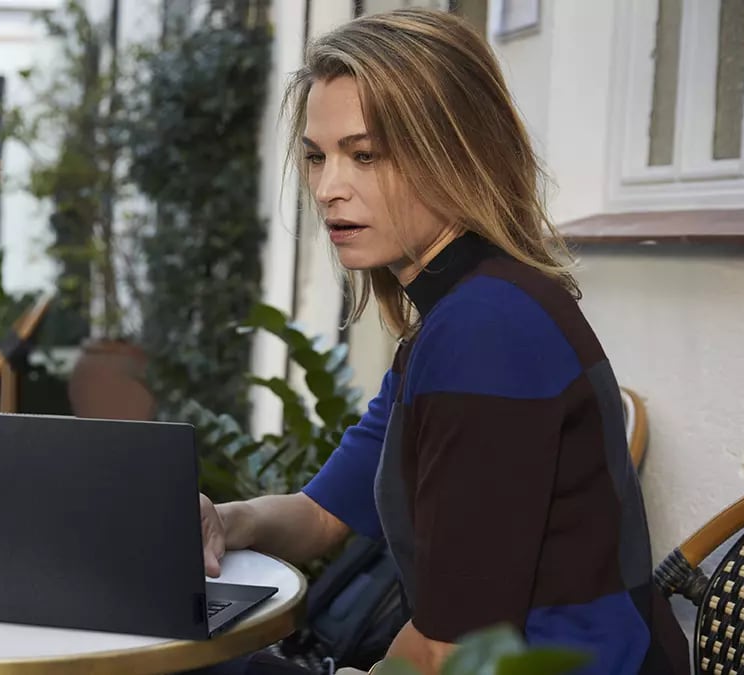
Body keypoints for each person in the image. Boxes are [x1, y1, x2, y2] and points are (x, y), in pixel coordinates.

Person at [197, 9, 689, 675]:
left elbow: (447, 650)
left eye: (364, 155)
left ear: (457, 152)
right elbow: (321, 514)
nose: (328, 187)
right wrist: (224, 520)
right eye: (317, 157)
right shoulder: (457, 314)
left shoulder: (486, 329)